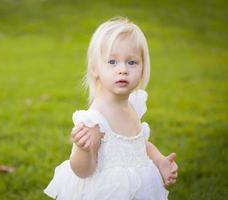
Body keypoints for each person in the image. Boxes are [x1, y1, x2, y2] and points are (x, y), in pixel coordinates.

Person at [43, 16, 178, 200]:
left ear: (142, 68)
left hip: (138, 188)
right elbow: (83, 171)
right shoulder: (95, 119)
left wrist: (160, 160)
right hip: (109, 192)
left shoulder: (133, 105)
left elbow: (138, 145)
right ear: (95, 69)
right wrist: (82, 149)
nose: (122, 69)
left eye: (132, 62)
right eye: (112, 62)